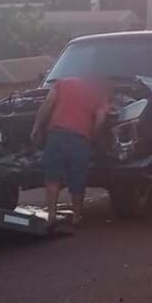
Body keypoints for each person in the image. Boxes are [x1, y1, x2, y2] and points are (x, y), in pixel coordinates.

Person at [30, 75, 110, 228]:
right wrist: (92, 138)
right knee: (77, 178)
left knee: (52, 177)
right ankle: (76, 217)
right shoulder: (99, 92)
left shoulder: (63, 83)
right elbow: (101, 119)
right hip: (79, 140)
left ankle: (52, 215)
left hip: (56, 136)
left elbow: (47, 104)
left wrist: (36, 128)